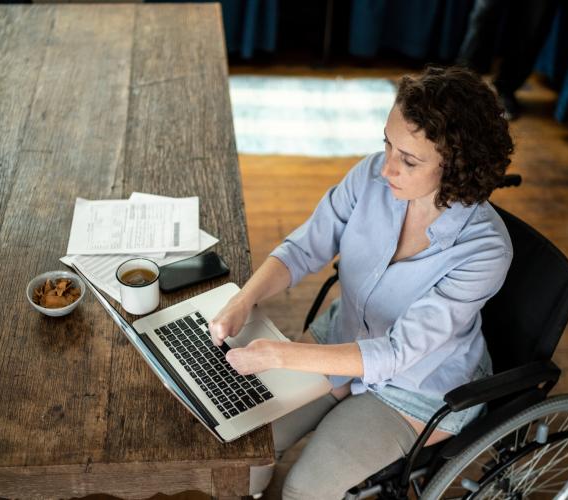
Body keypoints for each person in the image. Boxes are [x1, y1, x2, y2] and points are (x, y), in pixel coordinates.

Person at [209, 66, 515, 499]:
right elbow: (303, 248)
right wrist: (244, 299)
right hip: (346, 336)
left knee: (304, 489)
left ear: (457, 167)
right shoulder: (372, 176)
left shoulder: (485, 251)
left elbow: (395, 353)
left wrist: (279, 355)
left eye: (408, 160)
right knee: (245, 442)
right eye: (387, 143)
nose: (386, 168)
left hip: (415, 386)